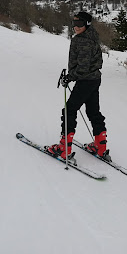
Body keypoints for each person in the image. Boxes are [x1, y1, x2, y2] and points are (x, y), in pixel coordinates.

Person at [47, 11, 110, 161]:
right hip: (94, 79)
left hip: (86, 81)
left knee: (69, 110)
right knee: (93, 111)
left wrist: (70, 77)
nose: (76, 27)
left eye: (80, 24)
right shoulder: (91, 36)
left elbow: (83, 67)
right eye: (74, 23)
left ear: (87, 24)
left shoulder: (83, 41)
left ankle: (64, 148)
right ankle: (100, 147)